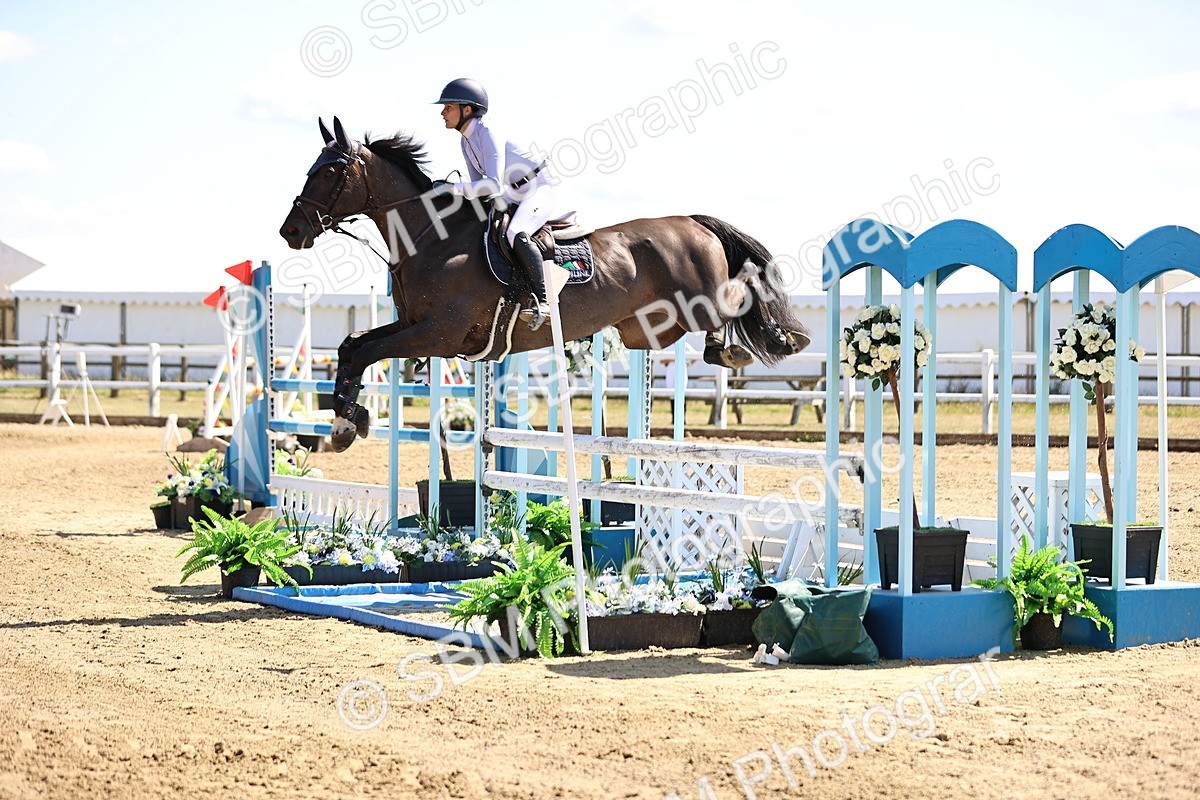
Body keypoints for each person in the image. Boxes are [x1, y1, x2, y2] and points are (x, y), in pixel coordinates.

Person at [436, 78, 571, 331]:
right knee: (483, 223)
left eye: (448, 107)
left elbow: (492, 185)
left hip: (540, 187)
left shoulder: (488, 132)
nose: (442, 112)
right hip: (513, 191)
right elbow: (478, 189)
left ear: (467, 109)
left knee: (513, 232)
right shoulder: (466, 141)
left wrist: (453, 188)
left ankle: (543, 301)